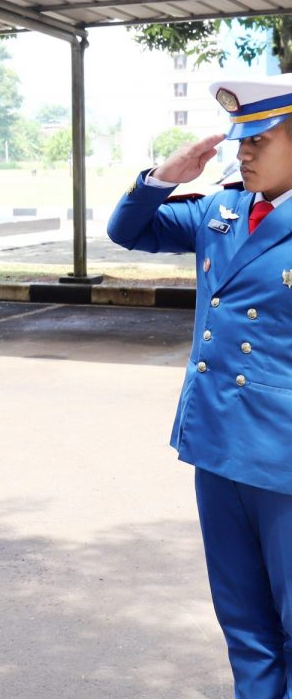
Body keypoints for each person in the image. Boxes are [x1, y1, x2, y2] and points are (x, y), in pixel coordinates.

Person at [108, 73, 292, 697]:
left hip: (283, 457)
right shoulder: (221, 208)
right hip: (216, 443)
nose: (244, 152)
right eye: (241, 139)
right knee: (242, 620)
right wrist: (166, 173)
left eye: (261, 139)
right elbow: (127, 230)